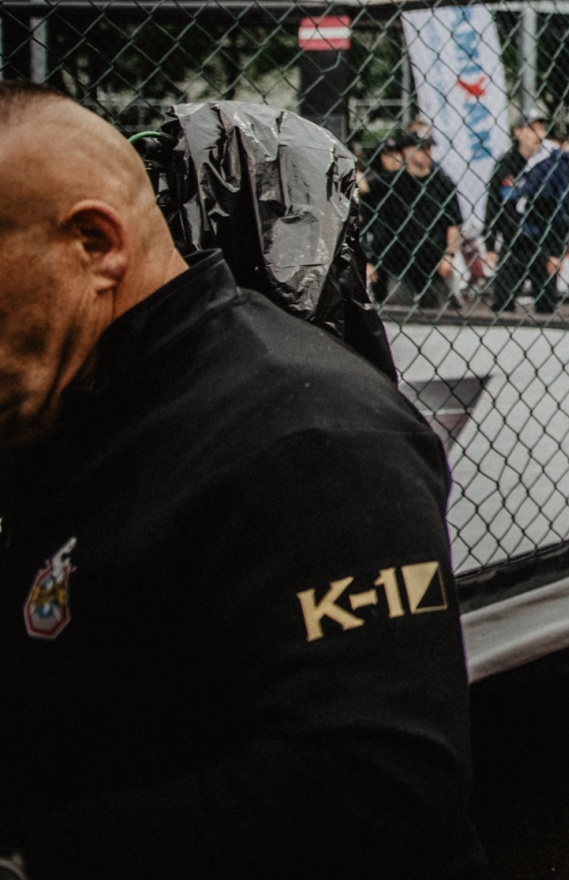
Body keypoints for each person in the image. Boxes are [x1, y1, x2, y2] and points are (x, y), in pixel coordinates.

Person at [0, 84, 483, 878]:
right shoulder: (73, 407)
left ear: (95, 244)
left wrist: (34, 860)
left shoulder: (311, 437)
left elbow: (376, 791)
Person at [365, 134, 464, 307]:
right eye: (421, 148)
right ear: (406, 151)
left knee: (439, 310)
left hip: (433, 260)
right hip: (399, 260)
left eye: (429, 148)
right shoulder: (391, 182)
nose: (427, 152)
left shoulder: (442, 183)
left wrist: (449, 256)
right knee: (399, 308)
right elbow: (364, 186)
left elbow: (453, 224)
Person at [487, 113, 569, 315]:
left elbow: (562, 208)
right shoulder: (506, 164)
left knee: (546, 305)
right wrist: (490, 244)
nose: (538, 134)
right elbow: (493, 204)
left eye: (541, 129)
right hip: (512, 243)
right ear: (518, 132)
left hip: (543, 242)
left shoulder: (550, 164)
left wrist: (557, 251)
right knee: (502, 302)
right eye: (532, 129)